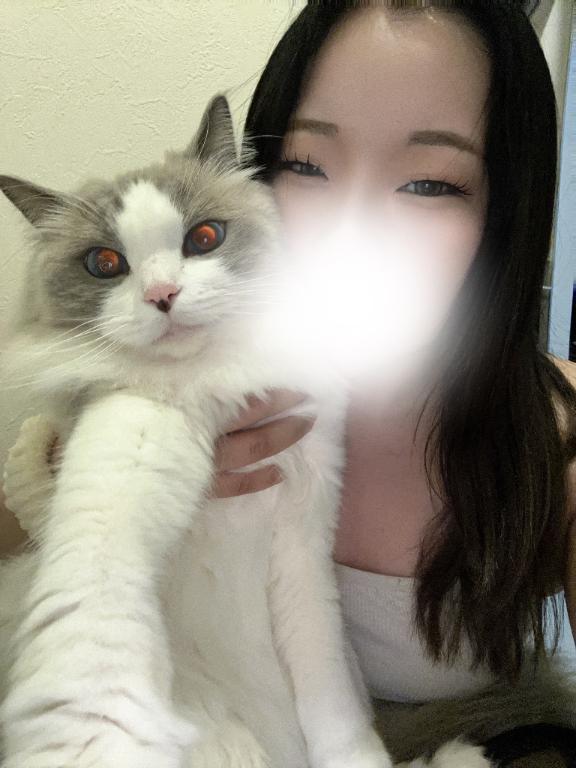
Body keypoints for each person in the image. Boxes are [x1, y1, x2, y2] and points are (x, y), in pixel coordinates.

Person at [2, 1, 576, 764]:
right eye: (306, 167)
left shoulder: (556, 434)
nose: (352, 223)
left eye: (431, 183)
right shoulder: (147, 378)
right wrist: (70, 481)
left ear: (504, 210)